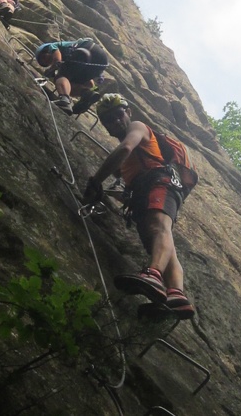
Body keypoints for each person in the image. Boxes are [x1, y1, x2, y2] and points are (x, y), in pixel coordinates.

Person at [83, 93, 195, 320]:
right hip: (145, 191)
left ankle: (153, 275)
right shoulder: (131, 162)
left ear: (128, 113)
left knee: (159, 228)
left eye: (118, 115)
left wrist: (95, 181)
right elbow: (129, 183)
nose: (116, 121)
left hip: (160, 182)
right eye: (109, 120)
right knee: (163, 242)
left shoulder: (137, 127)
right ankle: (176, 296)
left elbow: (124, 149)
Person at [35, 38, 108, 115]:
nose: (45, 61)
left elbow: (57, 60)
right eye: (45, 63)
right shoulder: (68, 63)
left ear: (46, 50)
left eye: (43, 57)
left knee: (60, 77)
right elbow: (89, 83)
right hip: (101, 61)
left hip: (85, 51)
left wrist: (51, 70)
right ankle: (86, 93)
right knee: (70, 85)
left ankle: (64, 100)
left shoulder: (52, 46)